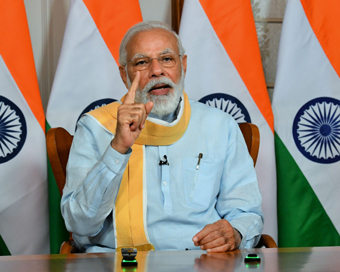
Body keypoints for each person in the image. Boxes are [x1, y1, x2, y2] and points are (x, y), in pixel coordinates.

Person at [61, 21, 263, 253]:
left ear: (183, 65)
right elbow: (79, 224)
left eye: (167, 59)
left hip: (201, 263)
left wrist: (235, 233)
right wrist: (118, 147)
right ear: (123, 74)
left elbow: (247, 214)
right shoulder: (95, 127)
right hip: (117, 263)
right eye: (141, 62)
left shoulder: (220, 126)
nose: (157, 70)